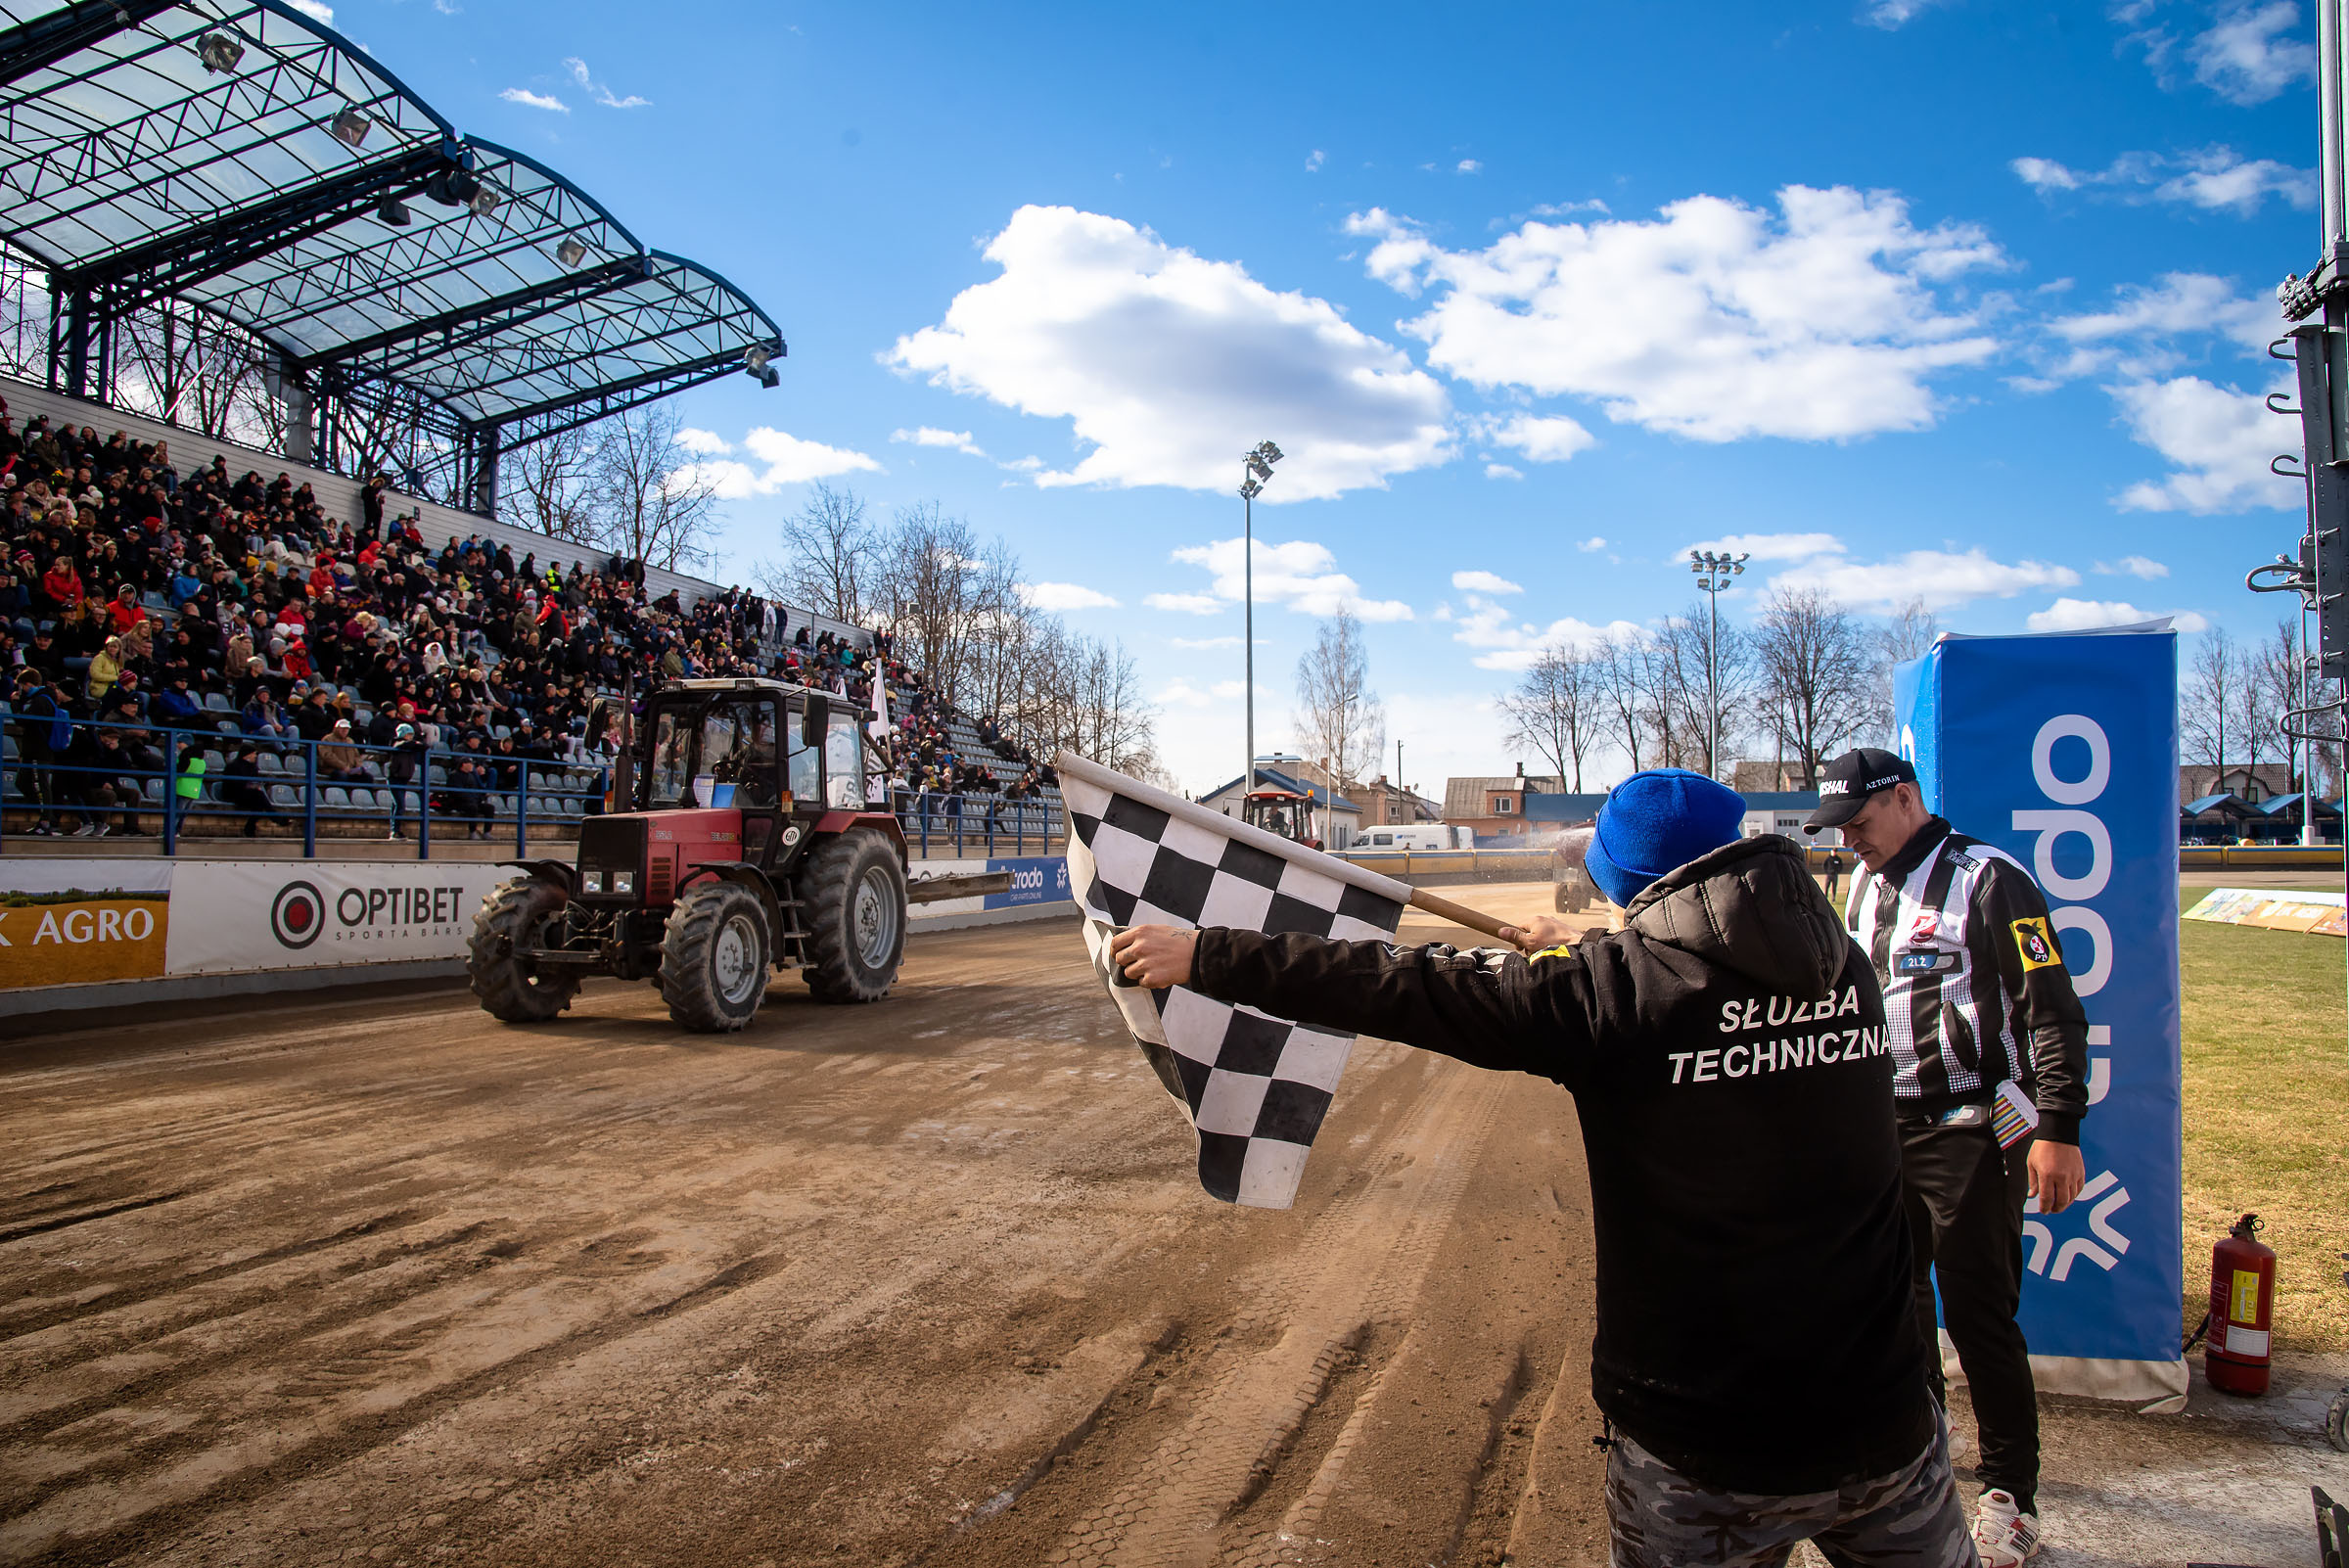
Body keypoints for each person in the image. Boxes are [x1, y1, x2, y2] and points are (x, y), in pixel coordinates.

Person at [1111, 770, 1971, 1568]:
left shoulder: (1605, 996)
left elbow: (1399, 984)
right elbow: (1700, 971)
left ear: (1632, 886)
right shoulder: (1839, 963)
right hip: (1887, 1416)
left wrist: (1209, 955)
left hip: (1705, 1447)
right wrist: (1586, 946)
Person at [1804, 747, 2092, 1568]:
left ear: (1904, 800)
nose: (1850, 840)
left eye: (1858, 822)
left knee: (1977, 1315)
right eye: (1840, 828)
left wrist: (2059, 1127)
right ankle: (1922, 1466)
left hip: (1974, 1130)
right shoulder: (1858, 881)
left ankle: (2011, 1495)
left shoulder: (1991, 878)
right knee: (1894, 1309)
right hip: (1879, 1128)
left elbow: (2053, 1010)